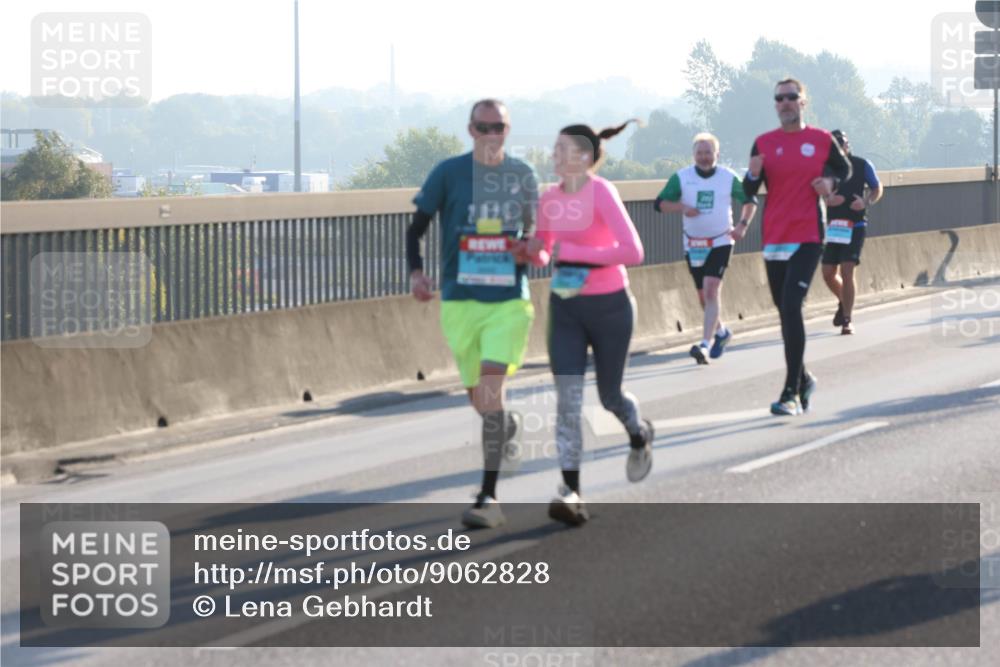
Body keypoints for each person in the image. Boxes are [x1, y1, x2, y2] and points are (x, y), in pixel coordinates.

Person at [407, 99, 539, 529]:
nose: (491, 134)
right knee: (480, 400)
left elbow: (537, 234)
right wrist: (416, 274)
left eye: (498, 126)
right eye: (483, 127)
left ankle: (488, 497)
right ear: (471, 130)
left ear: (507, 130)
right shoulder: (448, 172)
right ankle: (503, 426)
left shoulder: (521, 175)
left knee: (491, 391)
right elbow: (417, 227)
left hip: (507, 303)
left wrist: (529, 248)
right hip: (460, 301)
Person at [526, 120, 654, 526]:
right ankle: (571, 490)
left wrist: (577, 252)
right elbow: (547, 252)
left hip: (610, 307)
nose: (554, 156)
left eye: (561, 149)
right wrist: (530, 252)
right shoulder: (548, 199)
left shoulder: (602, 192)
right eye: (554, 148)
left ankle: (638, 432)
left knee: (610, 397)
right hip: (566, 309)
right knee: (567, 402)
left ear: (583, 157)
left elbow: (633, 251)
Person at [742, 79, 851, 416]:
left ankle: (790, 391)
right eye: (780, 98)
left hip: (808, 235)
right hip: (774, 237)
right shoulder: (763, 143)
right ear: (775, 105)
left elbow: (844, 168)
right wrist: (751, 175)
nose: (785, 102)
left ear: (803, 102)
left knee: (792, 305)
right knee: (784, 311)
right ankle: (804, 378)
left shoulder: (820, 140)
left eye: (792, 97)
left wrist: (830, 182)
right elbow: (749, 189)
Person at [655, 133, 758, 364]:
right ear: (693, 155)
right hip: (694, 244)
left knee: (711, 289)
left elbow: (751, 201)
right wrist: (681, 207)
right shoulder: (682, 177)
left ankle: (704, 344)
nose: (704, 157)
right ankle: (721, 332)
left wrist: (742, 226)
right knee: (703, 296)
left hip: (721, 241)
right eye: (700, 153)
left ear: (717, 154)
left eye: (708, 153)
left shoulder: (727, 177)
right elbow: (659, 204)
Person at [820, 129, 883, 335]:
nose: (840, 146)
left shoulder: (862, 164)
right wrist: (827, 199)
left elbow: (877, 187)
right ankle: (843, 300)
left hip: (855, 226)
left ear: (848, 145)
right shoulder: (825, 168)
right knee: (828, 273)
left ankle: (847, 319)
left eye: (843, 143)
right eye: (835, 143)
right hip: (834, 226)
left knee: (847, 270)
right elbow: (815, 191)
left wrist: (865, 202)